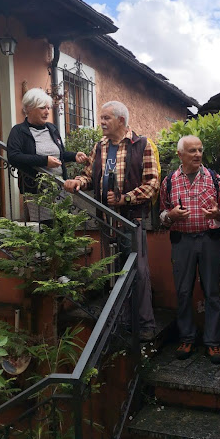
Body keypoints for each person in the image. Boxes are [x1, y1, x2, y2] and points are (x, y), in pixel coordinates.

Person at [64, 100, 159, 342]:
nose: (102, 122)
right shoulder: (100, 146)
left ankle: (145, 325)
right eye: (101, 118)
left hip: (131, 219)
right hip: (107, 221)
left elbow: (152, 183)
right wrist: (77, 182)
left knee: (138, 271)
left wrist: (124, 198)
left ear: (121, 121)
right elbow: (88, 175)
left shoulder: (142, 144)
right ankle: (123, 321)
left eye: (106, 118)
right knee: (115, 271)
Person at [160, 135, 220, 363]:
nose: (198, 154)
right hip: (182, 242)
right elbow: (161, 214)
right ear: (180, 155)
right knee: (183, 292)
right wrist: (171, 215)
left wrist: (218, 214)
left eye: (200, 150)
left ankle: (213, 343)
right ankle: (187, 338)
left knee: (212, 292)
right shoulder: (169, 181)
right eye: (192, 151)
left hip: (209, 241)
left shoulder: (214, 178)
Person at [7, 88, 87, 221]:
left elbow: (59, 154)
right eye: (42, 108)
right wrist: (44, 161)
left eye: (48, 108)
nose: (47, 112)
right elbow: (14, 156)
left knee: (64, 225)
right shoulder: (19, 131)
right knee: (46, 227)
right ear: (29, 108)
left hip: (60, 187)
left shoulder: (52, 128)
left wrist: (74, 156)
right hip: (37, 190)